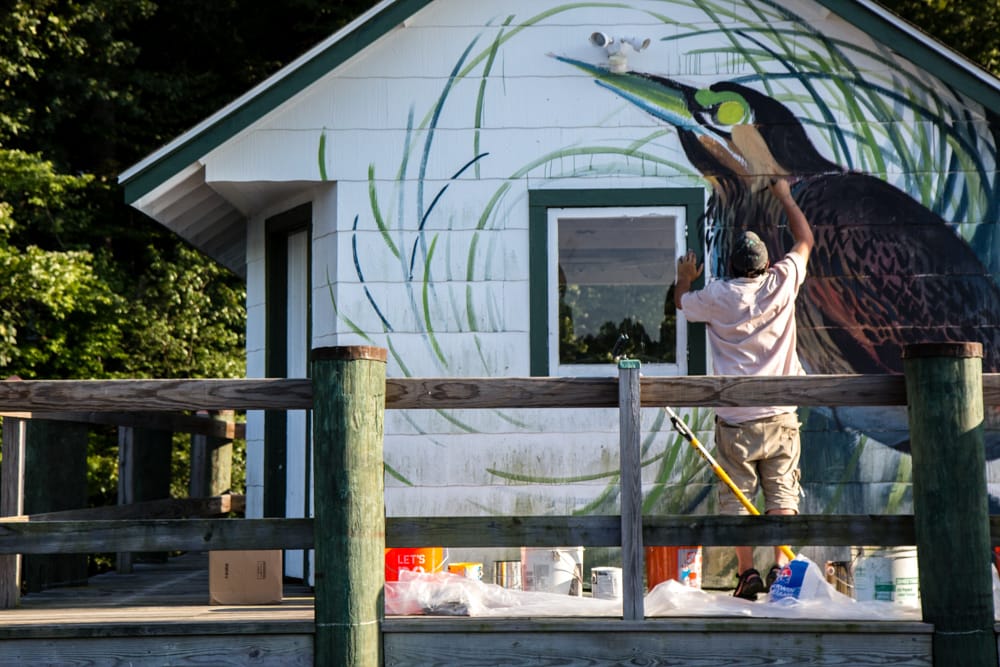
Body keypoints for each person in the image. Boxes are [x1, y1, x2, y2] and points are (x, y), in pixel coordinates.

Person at [673, 177, 814, 601]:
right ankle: (783, 571)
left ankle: (747, 574)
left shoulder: (716, 296)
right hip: (780, 417)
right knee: (781, 494)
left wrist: (684, 276)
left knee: (736, 496)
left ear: (731, 266)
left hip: (735, 420)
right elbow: (806, 240)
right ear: (766, 264)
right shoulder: (781, 283)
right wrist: (785, 196)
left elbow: (680, 301)